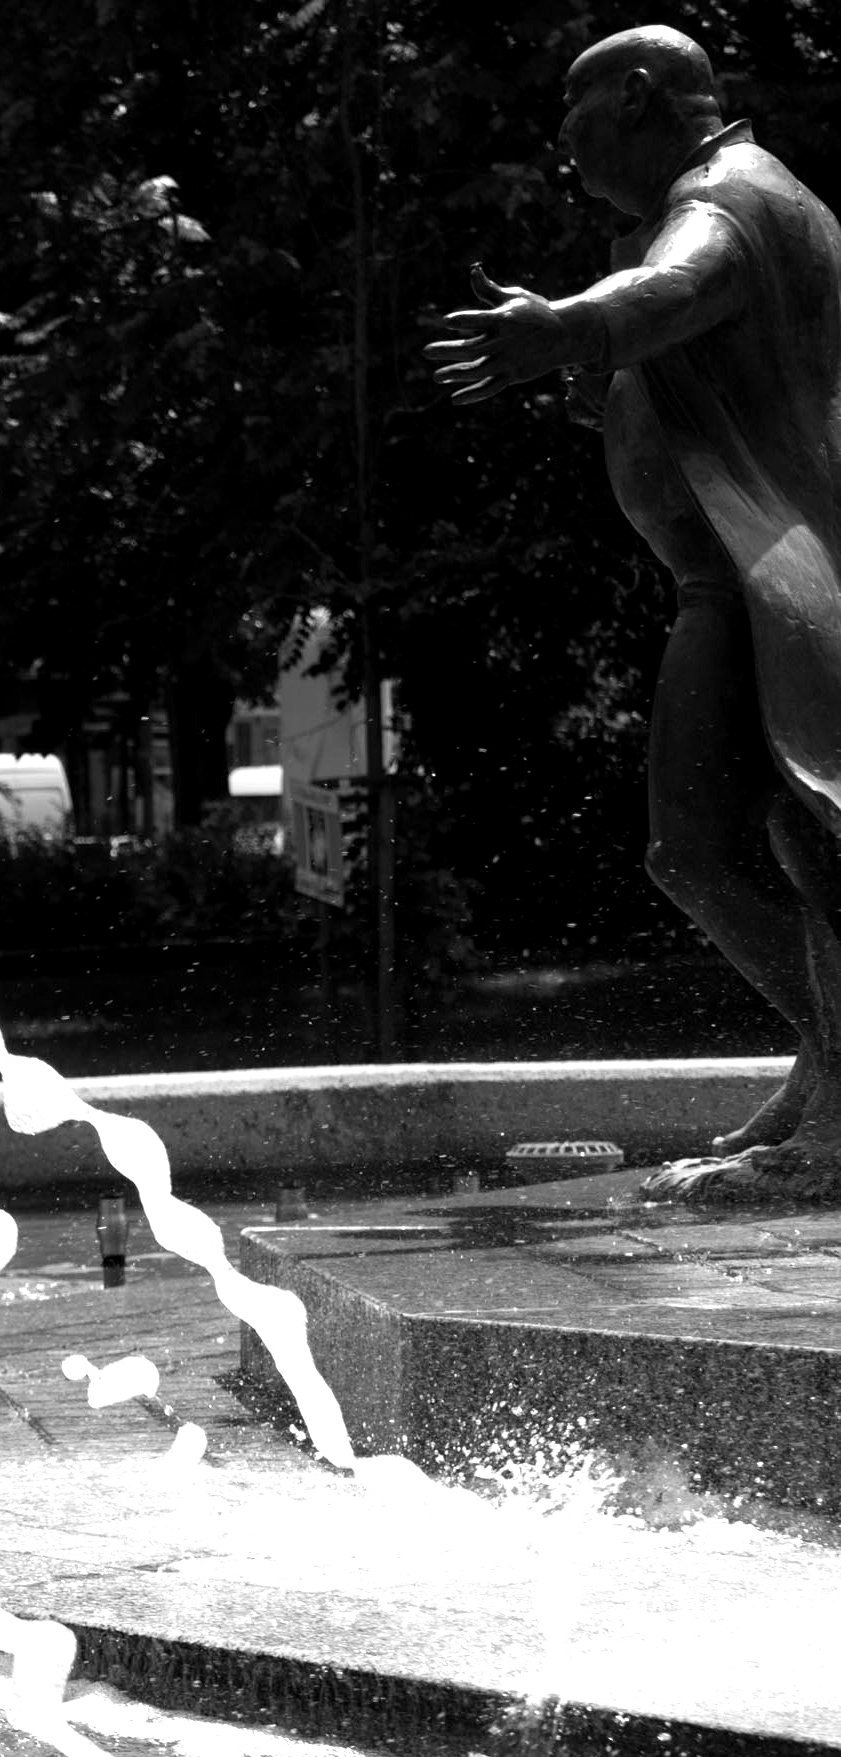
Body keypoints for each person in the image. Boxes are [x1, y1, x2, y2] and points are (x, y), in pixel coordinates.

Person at [426, 26, 841, 1187]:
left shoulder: (728, 196)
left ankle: (837, 1085)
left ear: (639, 95)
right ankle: (827, 1067)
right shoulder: (746, 194)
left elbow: (675, 286)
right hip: (752, 580)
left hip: (763, 580)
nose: (564, 155)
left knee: (705, 846)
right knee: (783, 846)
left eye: (574, 125)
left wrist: (565, 325)